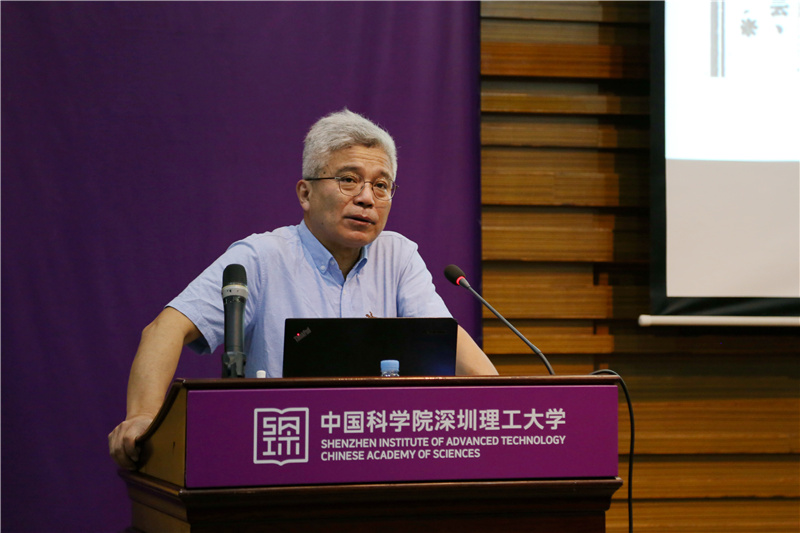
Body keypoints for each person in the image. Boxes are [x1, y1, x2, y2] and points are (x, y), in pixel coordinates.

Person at [108, 109, 497, 469]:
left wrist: (502, 410)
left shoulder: (398, 257)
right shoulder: (261, 257)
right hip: (284, 457)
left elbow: (448, 342)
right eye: (348, 180)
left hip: (377, 459)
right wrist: (143, 417)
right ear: (305, 194)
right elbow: (165, 329)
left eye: (381, 185)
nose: (366, 198)